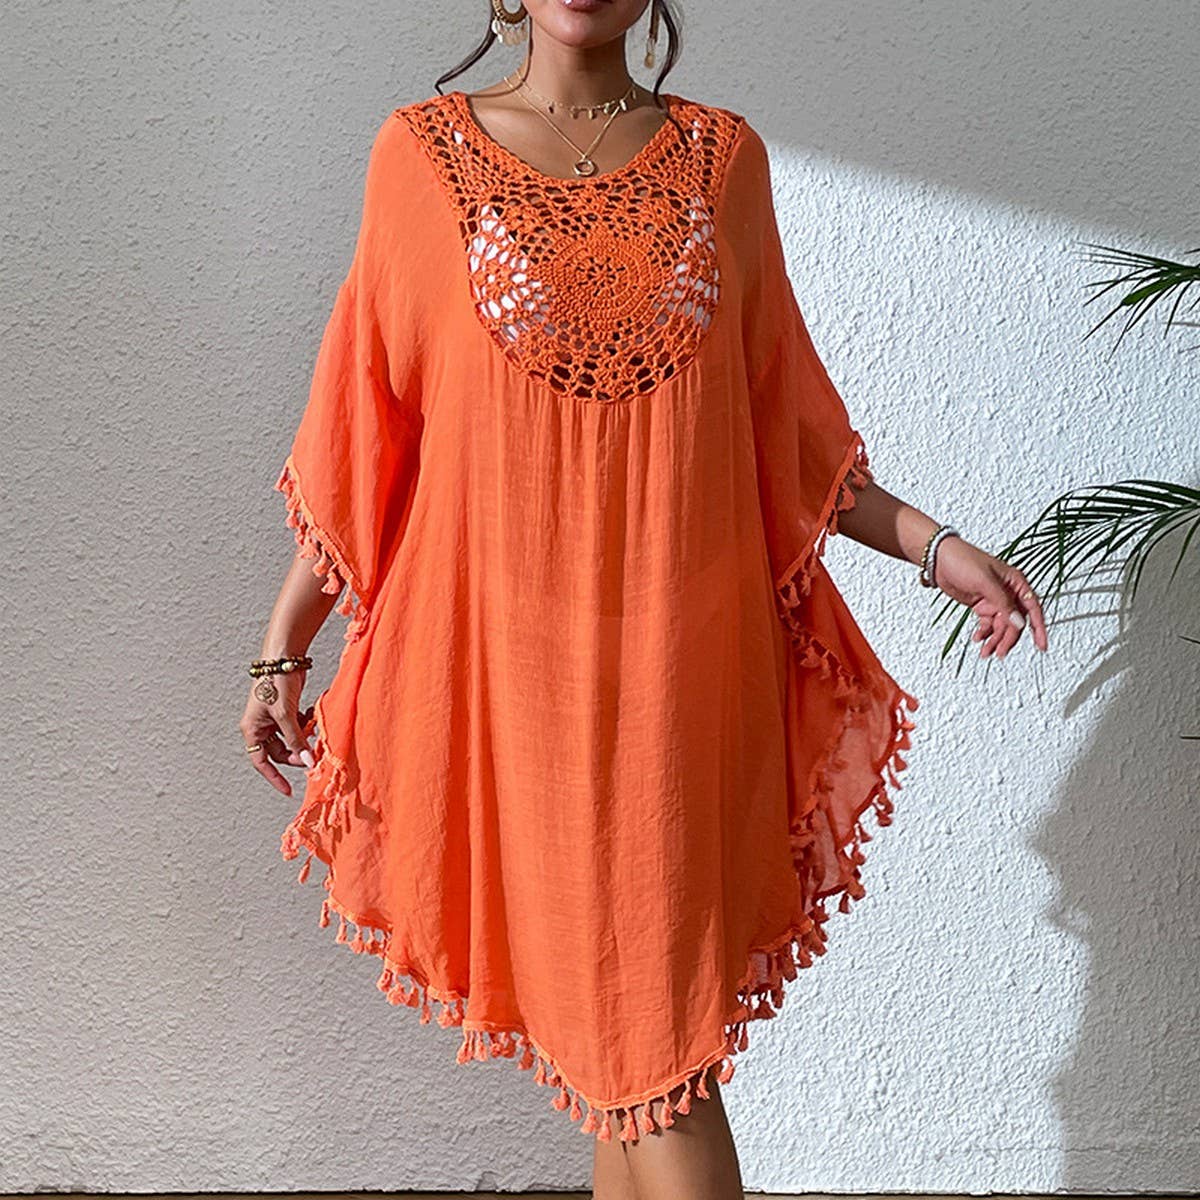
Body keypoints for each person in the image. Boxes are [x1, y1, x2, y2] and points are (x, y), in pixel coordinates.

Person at [240, 2, 1049, 1197]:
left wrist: (938, 550)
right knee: (619, 1070)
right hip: (518, 697)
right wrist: (282, 650)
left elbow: (784, 431)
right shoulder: (418, 157)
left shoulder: (722, 162)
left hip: (682, 686)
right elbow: (374, 436)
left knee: (650, 1058)